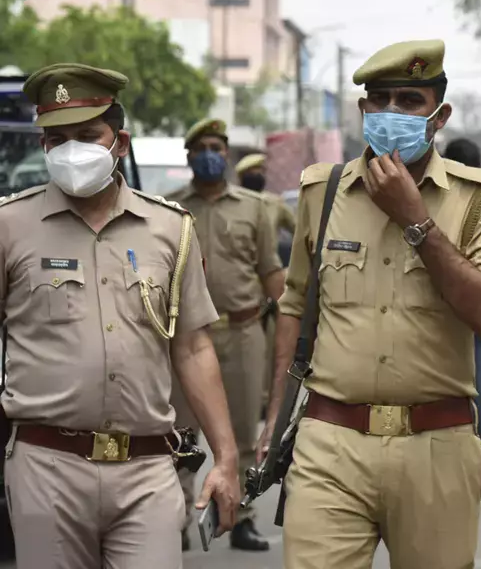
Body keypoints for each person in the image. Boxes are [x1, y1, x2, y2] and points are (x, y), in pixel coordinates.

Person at [261, 40, 481, 569]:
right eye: (379, 100)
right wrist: (274, 420)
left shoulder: (480, 196)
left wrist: (416, 221)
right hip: (330, 442)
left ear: (439, 116)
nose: (391, 112)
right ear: (362, 109)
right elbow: (295, 306)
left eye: (409, 101)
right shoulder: (322, 191)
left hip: (437, 445)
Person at [0, 63, 240, 568]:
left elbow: (193, 348)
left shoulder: (170, 228)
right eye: (58, 139)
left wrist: (226, 457)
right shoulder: (10, 226)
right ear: (44, 146)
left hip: (147, 468)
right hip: (45, 466)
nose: (72, 151)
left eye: (88, 136)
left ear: (120, 143)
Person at [168, 118, 286, 552]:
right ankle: (178, 518)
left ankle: (243, 518)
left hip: (243, 333)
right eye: (201, 149)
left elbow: (271, 272)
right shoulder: (172, 209)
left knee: (242, 432)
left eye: (216, 148)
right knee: (180, 435)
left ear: (227, 154)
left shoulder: (255, 208)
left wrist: (292, 328)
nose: (209, 156)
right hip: (186, 338)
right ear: (189, 157)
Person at [441, 136, 481, 499]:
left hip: (469, 320)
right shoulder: (429, 198)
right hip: (462, 319)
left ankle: (473, 465)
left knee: (480, 399)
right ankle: (468, 467)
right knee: (480, 398)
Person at [234, 151, 297, 419]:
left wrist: (290, 269)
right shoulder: (234, 203)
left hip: (270, 283)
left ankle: (268, 399)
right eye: (252, 173)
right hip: (244, 285)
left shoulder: (274, 204)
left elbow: (300, 232)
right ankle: (249, 397)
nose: (257, 176)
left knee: (272, 345)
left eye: (261, 172)